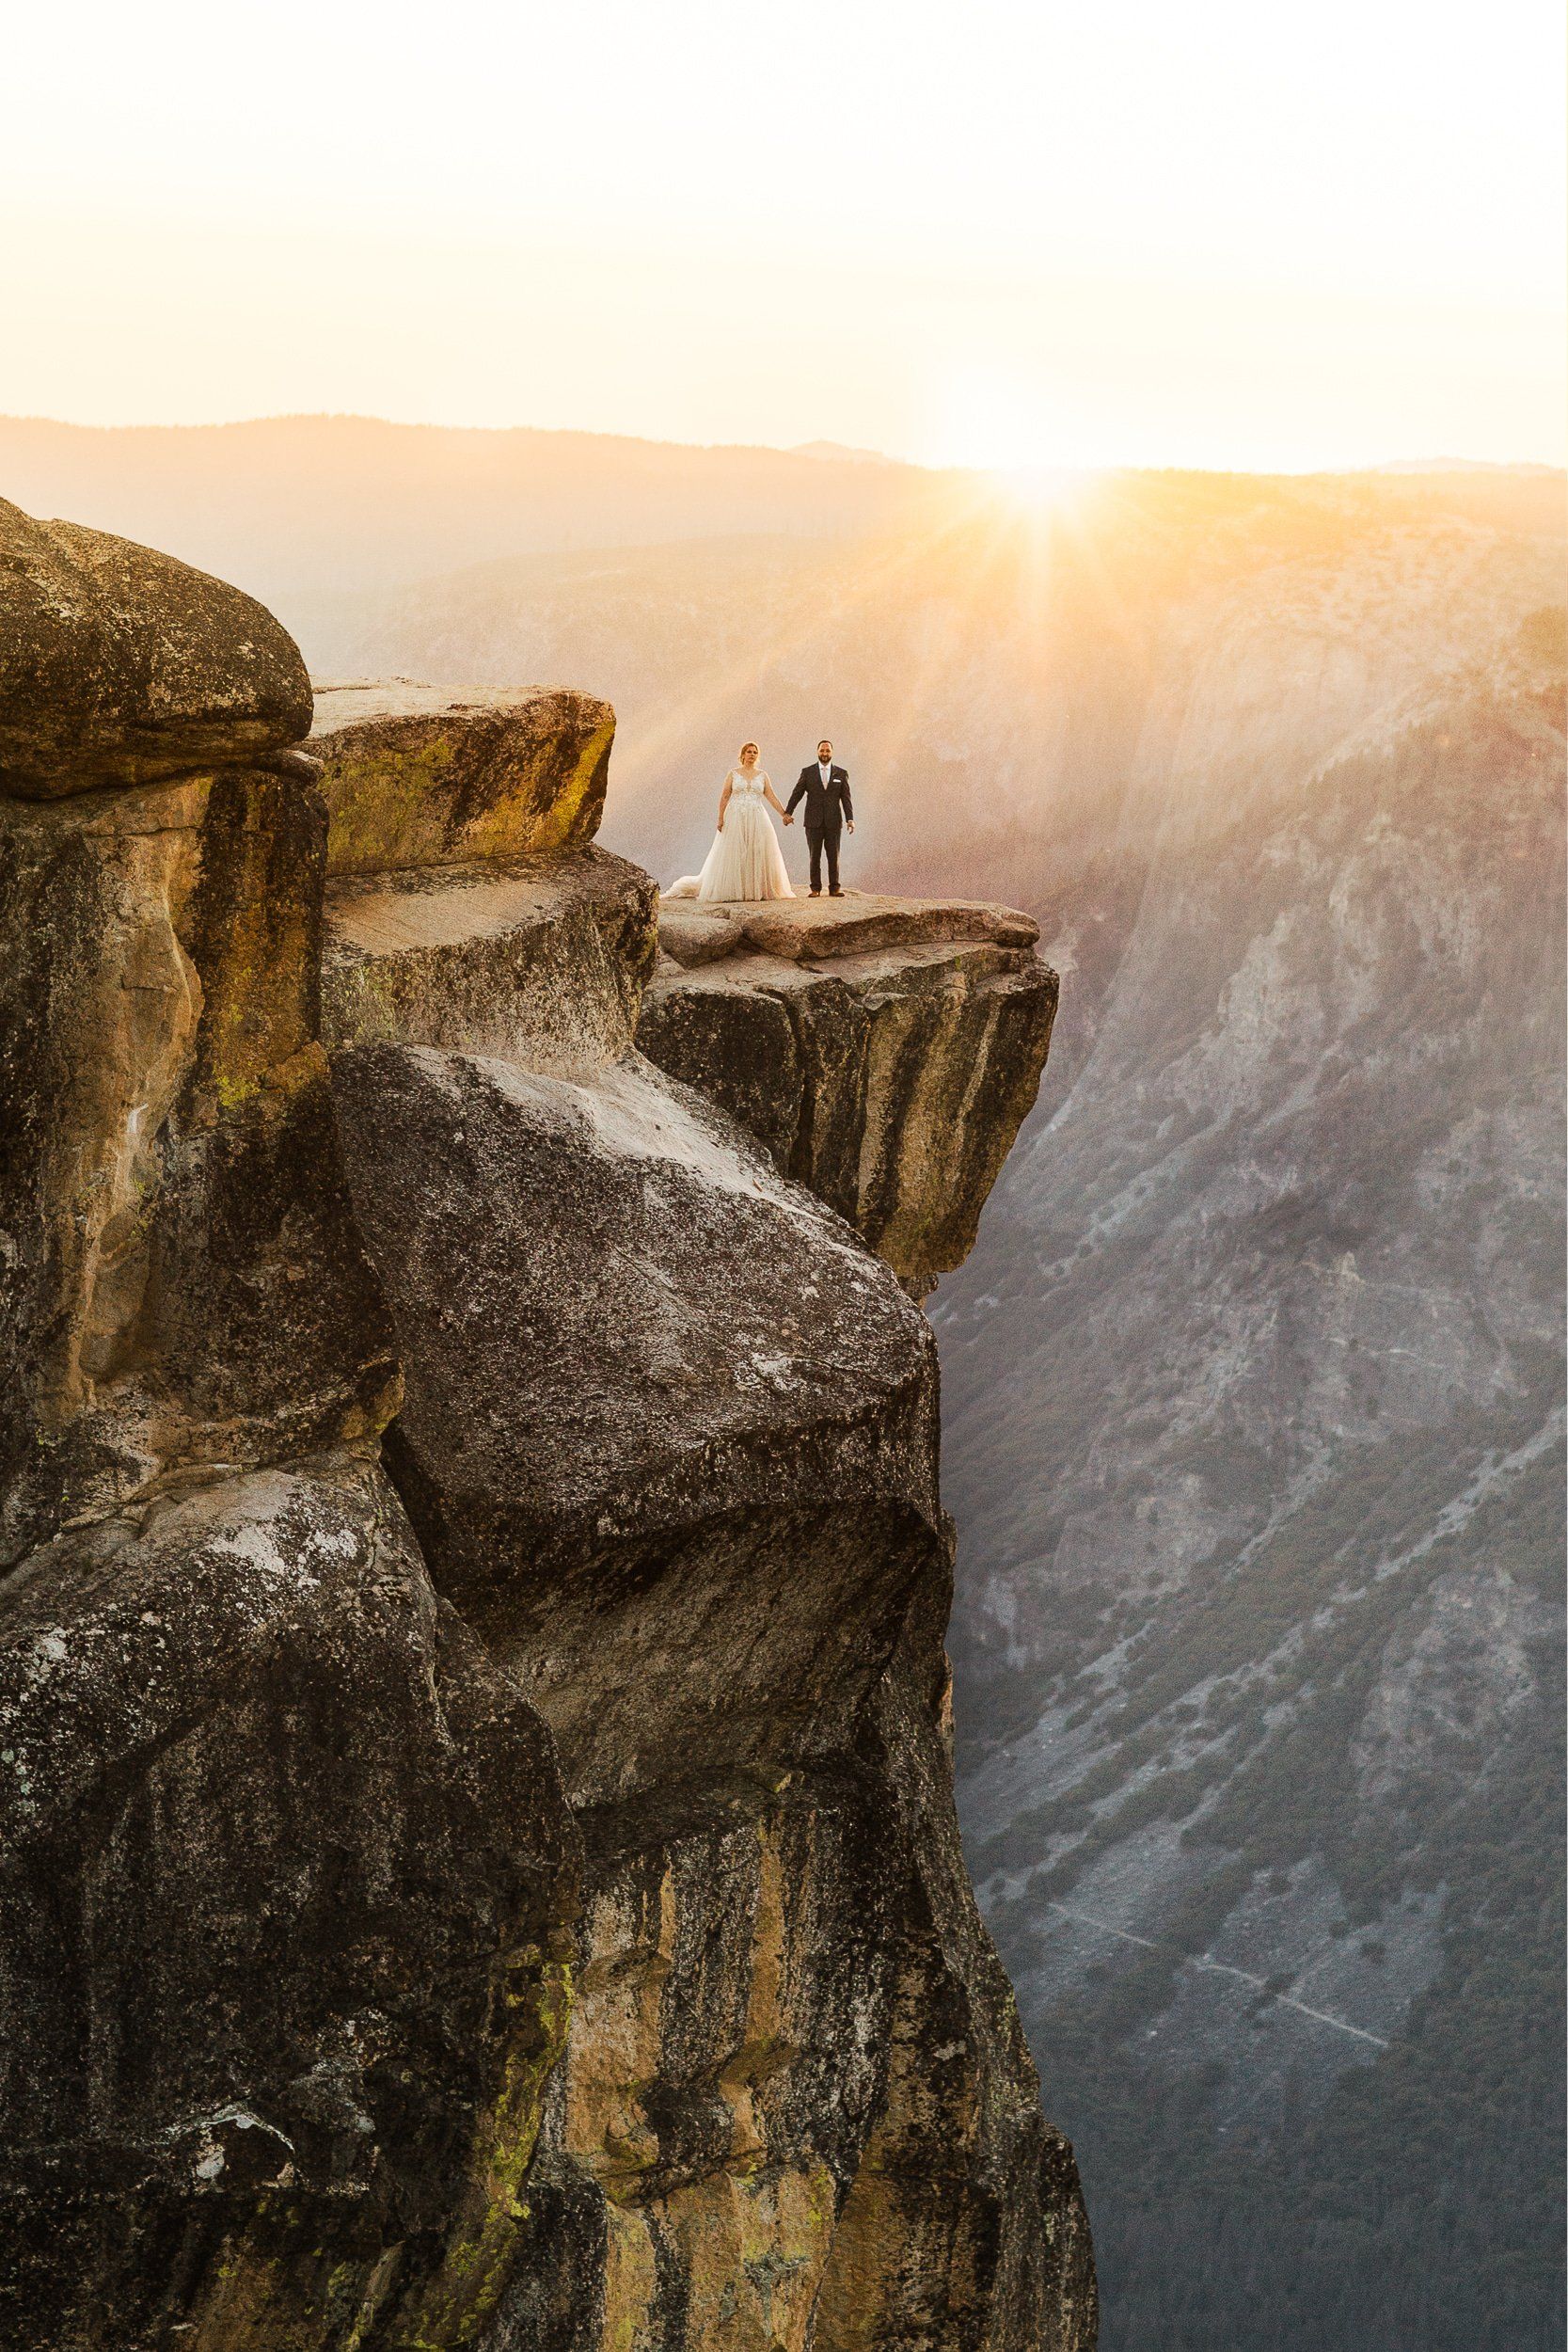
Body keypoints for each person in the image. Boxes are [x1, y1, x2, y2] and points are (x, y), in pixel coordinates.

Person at [666, 741, 794, 902]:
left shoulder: (762, 775)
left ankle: (757, 889)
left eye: (755, 752)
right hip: (735, 816)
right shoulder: (733, 774)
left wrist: (784, 814)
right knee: (735, 852)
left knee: (757, 851)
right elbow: (725, 796)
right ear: (743, 755)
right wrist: (720, 818)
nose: (752, 754)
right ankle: (735, 889)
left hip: (757, 816)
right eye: (749, 752)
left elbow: (771, 796)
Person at [784, 739, 854, 896]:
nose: (825, 753)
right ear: (817, 752)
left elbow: (846, 798)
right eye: (822, 751)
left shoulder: (841, 773)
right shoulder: (807, 772)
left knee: (833, 856)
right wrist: (788, 812)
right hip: (813, 821)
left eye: (827, 751)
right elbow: (797, 793)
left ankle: (834, 888)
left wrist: (850, 819)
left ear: (832, 753)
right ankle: (815, 889)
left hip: (834, 822)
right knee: (814, 856)